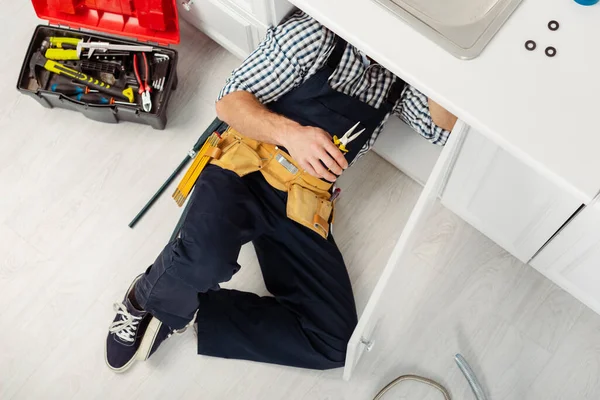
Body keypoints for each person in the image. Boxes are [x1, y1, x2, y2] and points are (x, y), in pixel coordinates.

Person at [105, 10, 457, 373]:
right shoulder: (316, 37)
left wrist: (436, 59)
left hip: (301, 202)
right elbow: (229, 103)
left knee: (333, 341)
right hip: (243, 168)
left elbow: (445, 131)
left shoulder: (399, 81)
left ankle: (189, 303)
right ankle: (145, 297)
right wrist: (292, 135)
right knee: (206, 259)